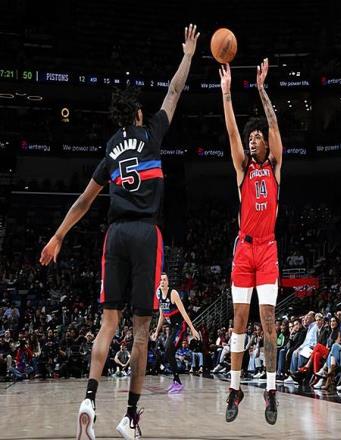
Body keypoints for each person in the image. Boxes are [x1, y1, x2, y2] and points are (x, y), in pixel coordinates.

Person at [39, 24, 199, 440]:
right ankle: (129, 417)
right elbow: (174, 91)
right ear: (139, 114)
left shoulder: (110, 148)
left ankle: (89, 400)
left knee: (107, 323)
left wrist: (58, 236)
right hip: (145, 234)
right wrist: (187, 55)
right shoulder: (152, 132)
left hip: (115, 235)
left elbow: (84, 201)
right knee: (141, 330)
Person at [219, 58, 283, 425]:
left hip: (268, 248)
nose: (251, 139)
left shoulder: (274, 166)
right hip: (244, 250)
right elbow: (231, 133)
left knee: (268, 319)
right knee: (240, 320)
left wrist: (261, 89)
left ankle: (271, 390)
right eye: (251, 137)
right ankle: (235, 388)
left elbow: (273, 123)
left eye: (256, 137)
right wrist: (227, 96)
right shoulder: (243, 169)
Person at [151, 272, 200, 392]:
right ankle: (176, 381)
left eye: (164, 280)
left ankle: (177, 381)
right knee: (168, 352)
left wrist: (192, 329)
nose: (162, 282)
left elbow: (183, 313)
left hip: (180, 327)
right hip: (172, 326)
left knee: (168, 349)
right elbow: (162, 315)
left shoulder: (173, 293)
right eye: (161, 280)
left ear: (168, 282)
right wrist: (157, 331)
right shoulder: (158, 293)